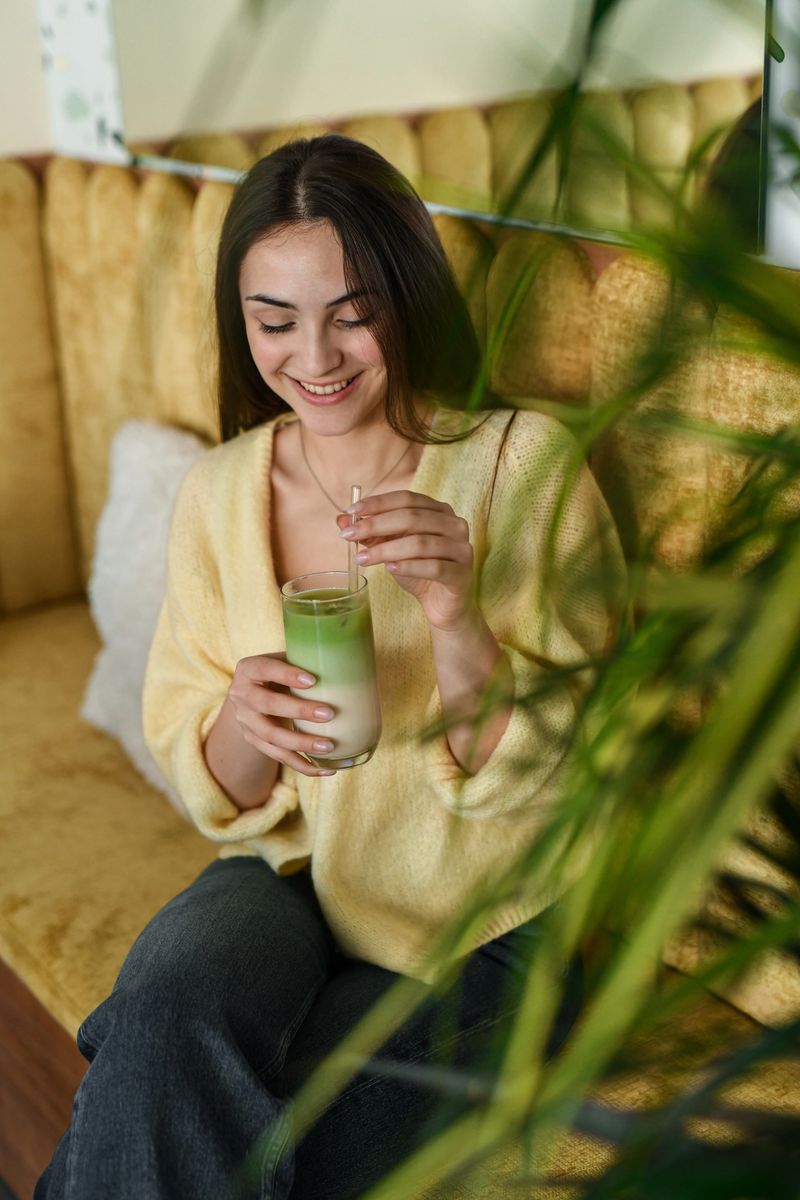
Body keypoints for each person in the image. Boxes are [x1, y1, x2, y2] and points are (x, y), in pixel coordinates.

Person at [36, 133, 624, 1200]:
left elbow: (562, 782)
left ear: (405, 296)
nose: (314, 357)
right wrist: (237, 729)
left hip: (490, 925)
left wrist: (454, 612)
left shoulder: (520, 467)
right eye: (274, 321)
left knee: (241, 1134)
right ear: (242, 324)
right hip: (293, 879)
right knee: (165, 1017)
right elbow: (213, 781)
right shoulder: (220, 494)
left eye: (351, 312)